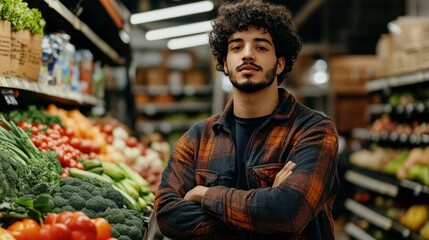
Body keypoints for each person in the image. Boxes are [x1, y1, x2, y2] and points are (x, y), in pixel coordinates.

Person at [154, 0, 339, 239]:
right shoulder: (197, 138)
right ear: (224, 63)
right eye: (236, 47)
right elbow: (167, 214)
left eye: (261, 48)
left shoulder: (312, 131)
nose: (248, 55)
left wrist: (204, 195)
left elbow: (288, 213)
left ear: (280, 63)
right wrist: (262, 217)